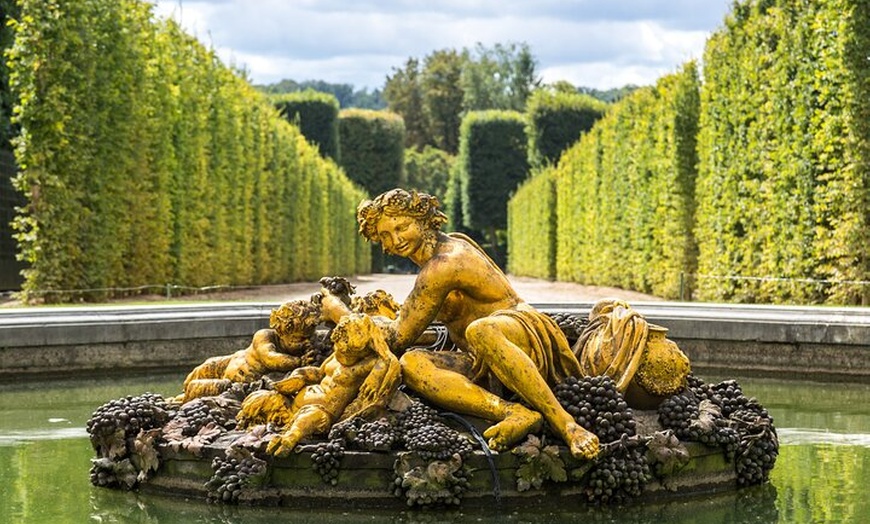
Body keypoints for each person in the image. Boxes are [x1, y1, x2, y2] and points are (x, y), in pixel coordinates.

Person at [319, 189, 599, 459]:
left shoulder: (443, 265)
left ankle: (567, 425)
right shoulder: (441, 251)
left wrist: (339, 313)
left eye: (401, 227)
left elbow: (399, 336)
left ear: (422, 219)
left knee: (480, 330)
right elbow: (415, 331)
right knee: (413, 364)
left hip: (521, 336)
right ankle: (513, 413)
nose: (396, 239)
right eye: (385, 235)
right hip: (480, 359)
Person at [237, 313, 401, 456]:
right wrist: (299, 376)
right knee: (262, 399)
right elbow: (319, 373)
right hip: (296, 403)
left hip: (323, 411)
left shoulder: (363, 366)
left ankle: (291, 436)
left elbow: (387, 360)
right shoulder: (336, 356)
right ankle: (256, 422)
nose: (340, 352)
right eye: (337, 345)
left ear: (363, 350)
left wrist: (375, 375)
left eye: (346, 351)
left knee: (310, 415)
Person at [179, 299, 321, 402]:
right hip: (233, 361)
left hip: (237, 383)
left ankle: (185, 397)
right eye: (299, 339)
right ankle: (183, 394)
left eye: (308, 337)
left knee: (199, 389)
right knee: (206, 367)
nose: (306, 342)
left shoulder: (307, 343)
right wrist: (299, 361)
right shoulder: (265, 335)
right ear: (282, 332)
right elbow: (270, 358)